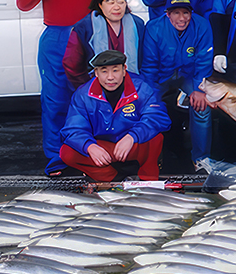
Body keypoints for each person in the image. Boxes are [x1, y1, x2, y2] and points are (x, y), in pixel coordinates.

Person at [15, 0, 103, 176]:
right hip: (55, 40)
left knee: (88, 99)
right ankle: (56, 157)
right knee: (54, 100)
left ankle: (87, 152)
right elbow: (24, 4)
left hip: (86, 39)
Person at [59, 50, 169, 182]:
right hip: (103, 147)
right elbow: (73, 129)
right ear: (96, 73)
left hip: (131, 145)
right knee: (68, 152)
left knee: (155, 138)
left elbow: (157, 117)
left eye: (115, 70)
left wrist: (132, 137)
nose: (110, 77)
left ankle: (147, 181)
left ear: (124, 70)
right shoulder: (83, 94)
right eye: (104, 71)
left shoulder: (142, 88)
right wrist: (90, 147)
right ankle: (113, 179)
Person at [141, 0, 214, 170]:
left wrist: (199, 89)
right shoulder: (154, 28)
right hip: (161, 76)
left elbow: (204, 61)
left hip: (189, 75)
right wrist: (149, 97)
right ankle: (153, 159)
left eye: (185, 13)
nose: (182, 18)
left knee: (202, 108)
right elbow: (149, 66)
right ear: (167, 14)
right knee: (149, 110)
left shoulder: (202, 25)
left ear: (191, 13)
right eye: (176, 13)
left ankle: (201, 159)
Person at [63, 0, 146, 90]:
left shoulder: (137, 24)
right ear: (100, 5)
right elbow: (72, 63)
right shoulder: (85, 27)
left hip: (133, 85)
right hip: (95, 86)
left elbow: (147, 60)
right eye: (110, 2)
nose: (117, 7)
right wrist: (86, 86)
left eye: (121, 2)